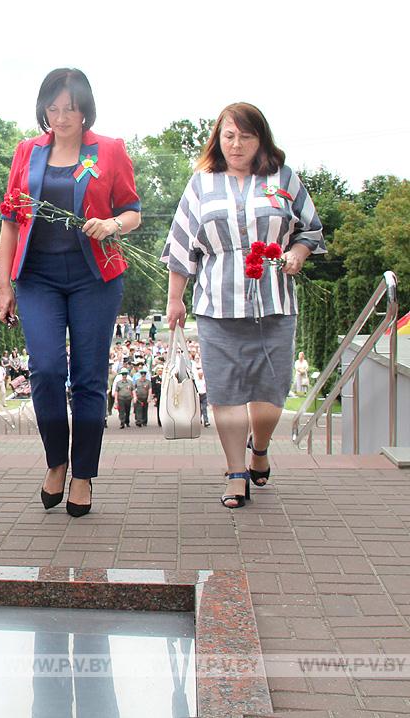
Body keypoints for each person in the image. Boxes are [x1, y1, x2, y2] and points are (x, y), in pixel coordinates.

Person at [162, 102, 325, 509]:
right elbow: (182, 245)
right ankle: (236, 472)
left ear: (260, 139)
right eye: (229, 136)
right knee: (226, 392)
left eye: (245, 136)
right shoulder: (201, 183)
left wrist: (298, 254)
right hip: (218, 304)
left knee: (271, 393)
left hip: (274, 302)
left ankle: (261, 447)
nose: (236, 145)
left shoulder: (283, 178)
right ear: (219, 138)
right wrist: (175, 299)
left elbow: (310, 228)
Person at [0, 68, 141, 517]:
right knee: (44, 370)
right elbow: (10, 219)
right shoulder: (27, 152)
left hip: (93, 278)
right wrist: (4, 285)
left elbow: (132, 210)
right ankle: (56, 460)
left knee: (88, 378)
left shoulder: (110, 150)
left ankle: (83, 474)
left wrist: (112, 224)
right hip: (37, 277)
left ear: (85, 109)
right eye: (53, 108)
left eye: (70, 108)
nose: (61, 117)